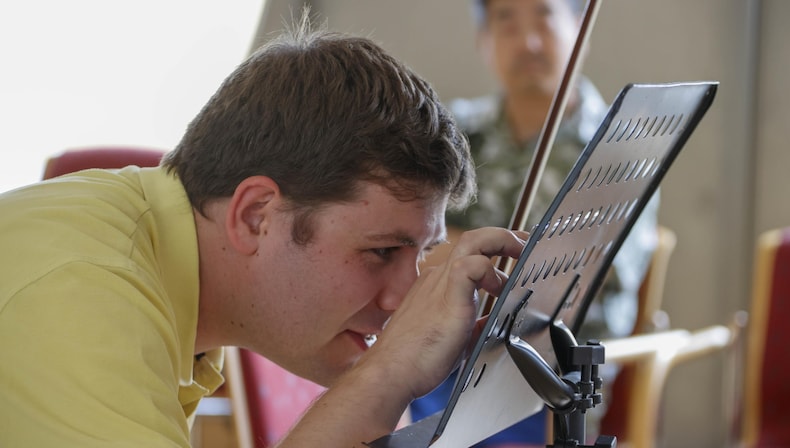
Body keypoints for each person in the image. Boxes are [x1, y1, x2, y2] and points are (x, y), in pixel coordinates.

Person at [0, 13, 529, 447]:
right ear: (256, 215)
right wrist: (386, 373)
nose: (402, 300)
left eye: (421, 254)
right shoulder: (84, 298)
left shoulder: (159, 266)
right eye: (383, 251)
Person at [409, 0, 660, 446]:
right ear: (483, 41)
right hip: (440, 366)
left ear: (580, 25)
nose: (526, 42)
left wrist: (463, 253)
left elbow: (584, 278)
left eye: (543, 16)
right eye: (505, 20)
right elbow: (413, 254)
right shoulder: (451, 132)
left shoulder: (621, 147)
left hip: (550, 387)